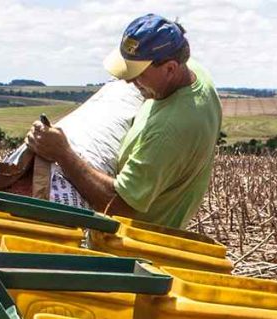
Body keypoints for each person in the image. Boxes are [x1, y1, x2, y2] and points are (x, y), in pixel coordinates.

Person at [25, 14, 221, 229]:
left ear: (170, 68)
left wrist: (62, 153)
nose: (128, 80)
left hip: (136, 244)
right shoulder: (193, 72)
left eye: (137, 73)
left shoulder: (170, 130)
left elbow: (120, 208)